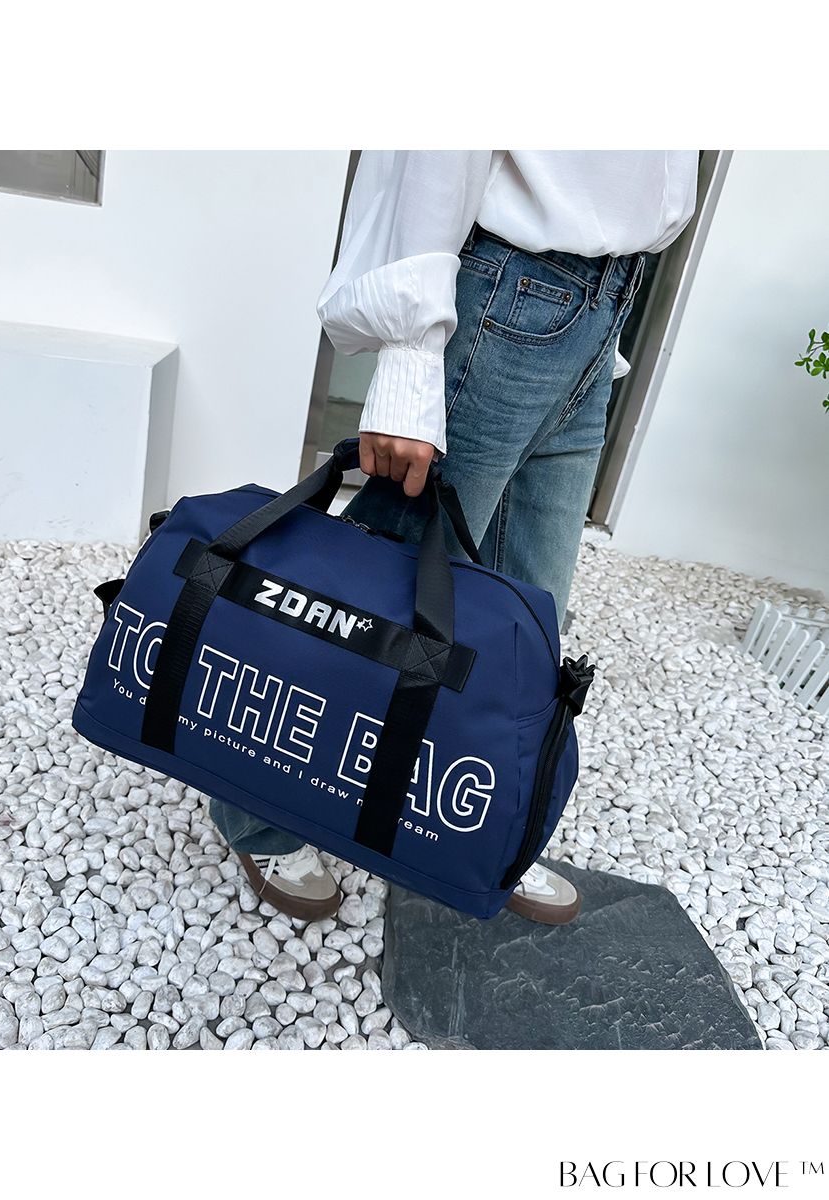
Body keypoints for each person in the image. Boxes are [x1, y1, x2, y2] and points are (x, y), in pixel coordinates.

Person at [210, 150, 699, 924]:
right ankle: (258, 815)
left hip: (602, 302)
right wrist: (411, 359)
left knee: (529, 621)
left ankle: (473, 827)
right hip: (513, 291)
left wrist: (596, 323)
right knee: (370, 600)